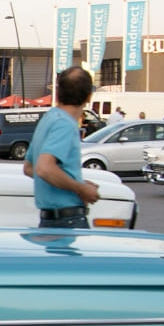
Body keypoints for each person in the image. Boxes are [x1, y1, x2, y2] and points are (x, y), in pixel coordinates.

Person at [23, 66, 100, 229]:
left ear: (58, 92)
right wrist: (80, 188)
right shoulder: (64, 125)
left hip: (48, 220)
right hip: (68, 220)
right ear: (89, 96)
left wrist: (72, 180)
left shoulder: (48, 119)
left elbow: (30, 168)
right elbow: (44, 169)